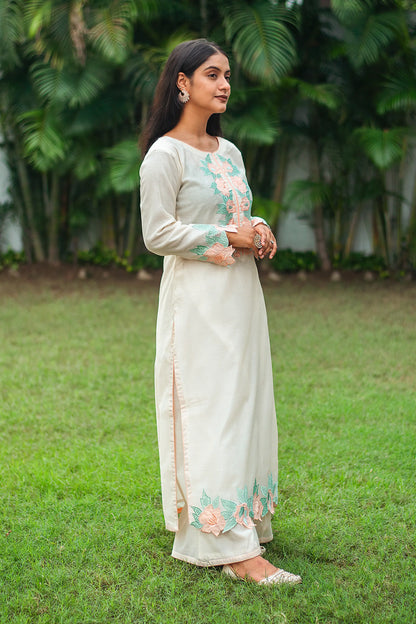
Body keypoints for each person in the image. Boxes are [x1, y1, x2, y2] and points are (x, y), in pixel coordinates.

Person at [139, 38, 301, 585]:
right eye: (212, 74)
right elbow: (157, 233)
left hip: (242, 298)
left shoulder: (228, 152)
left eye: (227, 74)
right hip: (198, 303)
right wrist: (223, 235)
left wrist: (257, 229)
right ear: (182, 83)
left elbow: (239, 214)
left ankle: (244, 518)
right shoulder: (164, 155)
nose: (225, 83)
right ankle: (230, 548)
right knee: (211, 409)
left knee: (246, 403)